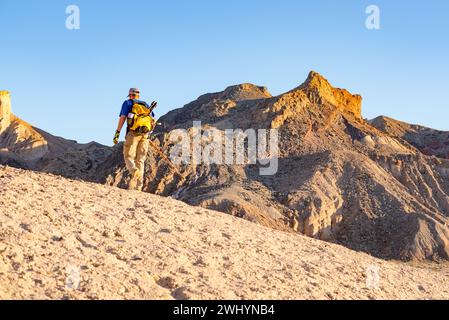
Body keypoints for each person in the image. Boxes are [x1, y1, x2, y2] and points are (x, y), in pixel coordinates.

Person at [113, 88, 157, 191]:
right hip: (145, 135)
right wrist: (147, 134)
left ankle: (134, 171)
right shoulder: (145, 105)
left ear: (130, 95)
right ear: (138, 95)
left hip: (132, 134)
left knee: (128, 156)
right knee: (140, 160)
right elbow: (153, 120)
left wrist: (117, 133)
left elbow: (123, 118)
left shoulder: (128, 103)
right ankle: (138, 187)